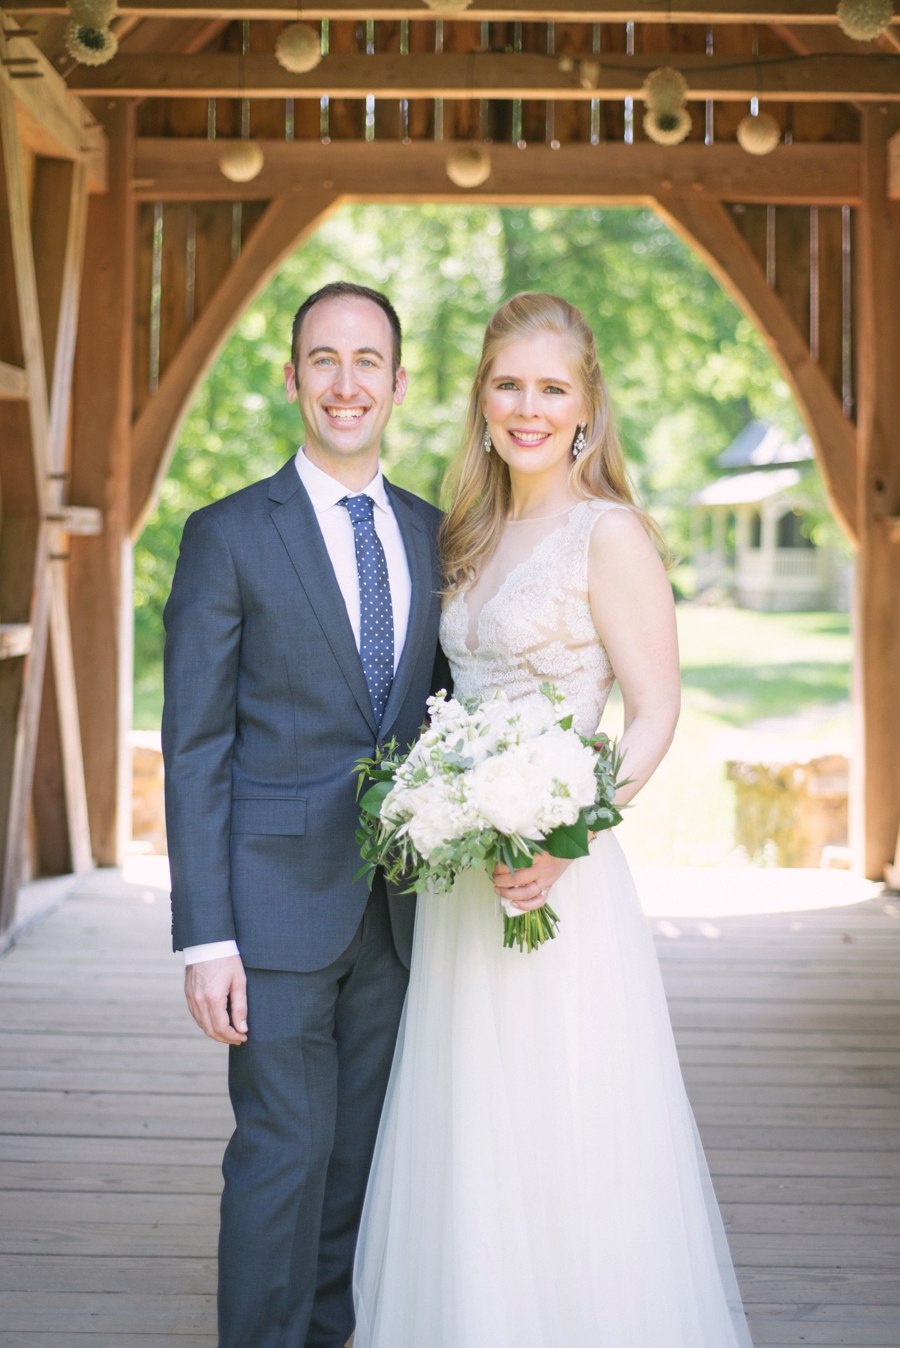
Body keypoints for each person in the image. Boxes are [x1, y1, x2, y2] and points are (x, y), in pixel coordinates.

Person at [353, 292, 753, 1348]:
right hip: (462, 887)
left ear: (586, 407)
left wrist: (564, 837)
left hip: (560, 881)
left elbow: (655, 710)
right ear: (482, 401)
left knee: (566, 1121)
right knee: (469, 1124)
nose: (527, 407)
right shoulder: (469, 533)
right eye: (507, 384)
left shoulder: (606, 532)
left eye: (551, 387)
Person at [162, 281, 447, 1348]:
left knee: (355, 1161)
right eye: (322, 360)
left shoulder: (431, 534)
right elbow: (194, 749)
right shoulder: (227, 535)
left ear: (398, 384)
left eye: (366, 361)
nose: (345, 382)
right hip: (273, 907)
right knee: (282, 1153)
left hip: (400, 905)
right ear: (291, 378)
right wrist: (205, 936)